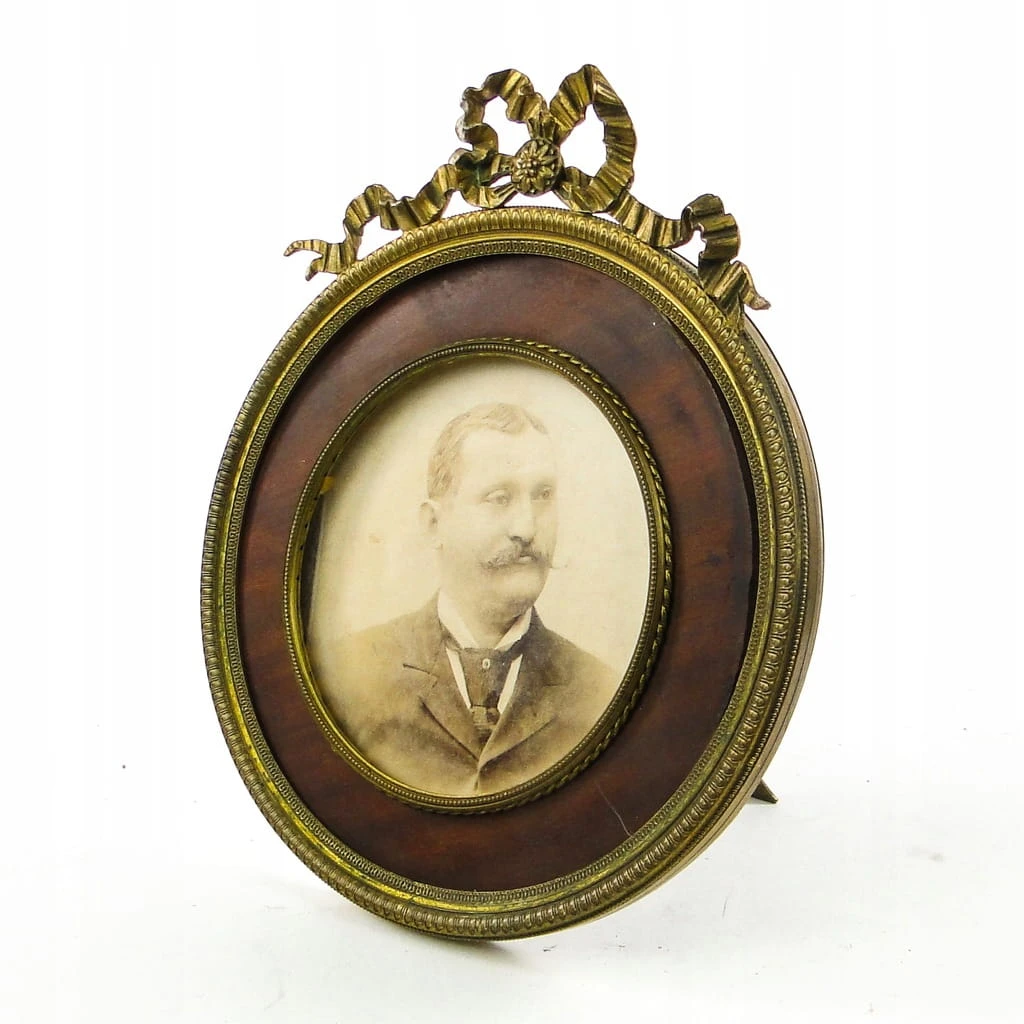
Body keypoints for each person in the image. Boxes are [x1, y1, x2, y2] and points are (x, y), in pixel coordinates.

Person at [318, 402, 618, 797]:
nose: (527, 528)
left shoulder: (600, 691)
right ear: (434, 524)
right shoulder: (350, 677)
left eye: (543, 495)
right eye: (499, 498)